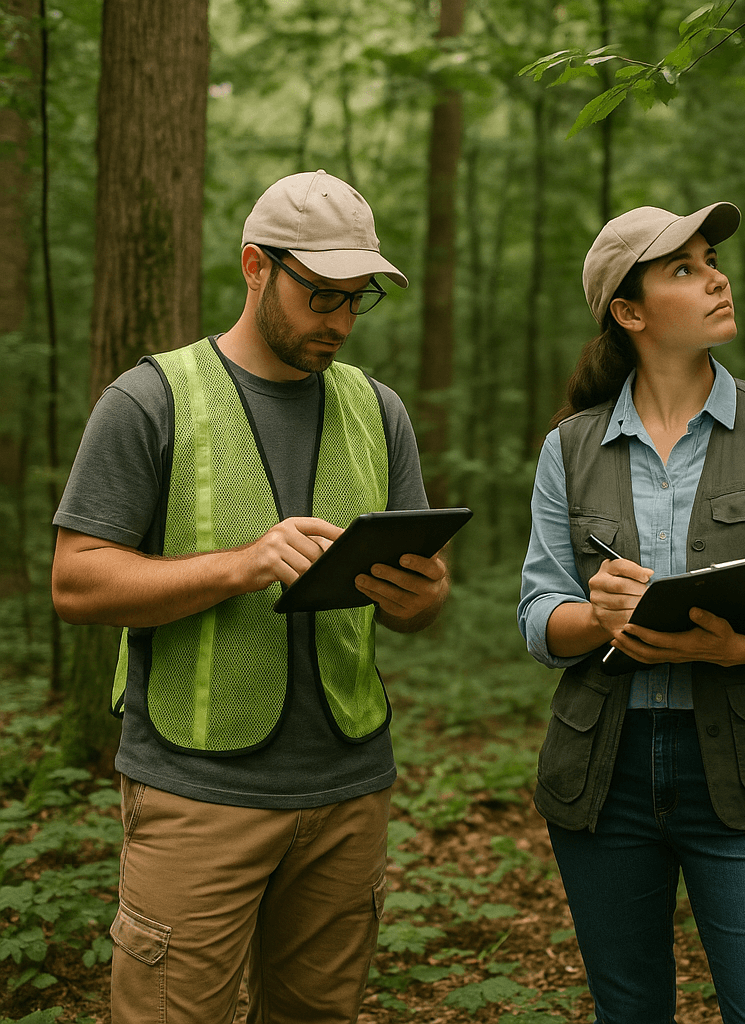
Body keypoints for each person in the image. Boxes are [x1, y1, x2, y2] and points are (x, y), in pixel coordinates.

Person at [51, 170, 449, 1024]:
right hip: (196, 796)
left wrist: (420, 593)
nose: (340, 321)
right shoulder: (150, 399)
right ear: (255, 266)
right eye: (320, 295)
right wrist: (242, 564)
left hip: (349, 791)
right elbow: (77, 580)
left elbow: (418, 613)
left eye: (358, 299)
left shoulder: (380, 412)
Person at [518, 202, 745, 1024]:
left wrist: (741, 650)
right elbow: (540, 613)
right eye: (684, 267)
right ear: (630, 312)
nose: (716, 276)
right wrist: (597, 619)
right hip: (603, 778)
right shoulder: (569, 446)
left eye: (711, 258)